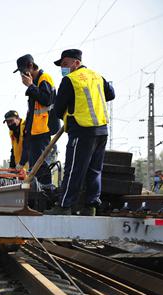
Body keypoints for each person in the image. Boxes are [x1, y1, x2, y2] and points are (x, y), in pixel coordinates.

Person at [45, 49, 115, 216]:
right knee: (94, 170)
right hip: (102, 130)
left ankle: (64, 206)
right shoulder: (97, 76)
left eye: (65, 64)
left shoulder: (70, 80)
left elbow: (58, 107)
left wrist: (71, 110)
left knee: (74, 169)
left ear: (76, 62)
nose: (63, 68)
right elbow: (111, 94)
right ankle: (90, 206)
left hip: (82, 130)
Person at [14, 54, 58, 189]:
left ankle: (46, 188)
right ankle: (38, 190)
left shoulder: (44, 79)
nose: (22, 75)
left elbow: (46, 100)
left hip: (44, 129)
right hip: (36, 130)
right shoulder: (37, 81)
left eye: (23, 71)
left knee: (41, 163)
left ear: (31, 66)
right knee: (35, 164)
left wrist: (30, 86)